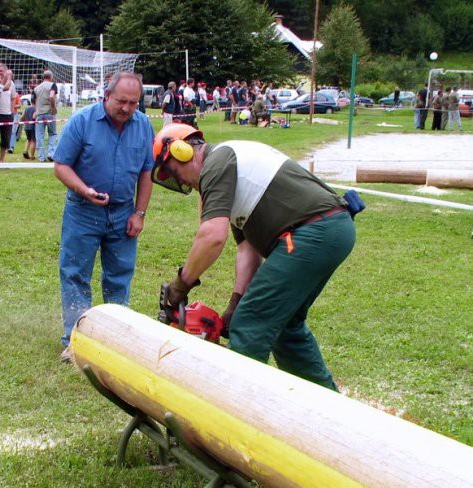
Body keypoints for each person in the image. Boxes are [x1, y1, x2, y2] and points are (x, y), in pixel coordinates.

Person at [151, 124, 355, 390]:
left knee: (250, 325)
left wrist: (182, 284)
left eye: (175, 173)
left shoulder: (218, 162)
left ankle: (235, 414)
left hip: (312, 231)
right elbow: (247, 248)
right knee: (284, 326)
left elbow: (212, 236)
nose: (182, 183)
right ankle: (325, 407)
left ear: (182, 151)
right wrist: (236, 301)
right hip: (329, 229)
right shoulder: (227, 168)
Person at [53, 71, 154, 363]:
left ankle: (116, 341)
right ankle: (75, 340)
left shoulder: (144, 125)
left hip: (124, 213)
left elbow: (147, 172)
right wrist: (84, 190)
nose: (127, 108)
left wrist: (140, 212)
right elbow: (61, 166)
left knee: (120, 276)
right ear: (106, 95)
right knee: (74, 274)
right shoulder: (82, 122)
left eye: (133, 103)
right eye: (122, 101)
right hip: (83, 212)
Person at [34, 70, 58, 162]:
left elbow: (34, 101)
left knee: (39, 136)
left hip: (39, 113)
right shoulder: (52, 85)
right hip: (49, 113)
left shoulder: (37, 88)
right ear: (51, 77)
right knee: (52, 133)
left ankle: (41, 157)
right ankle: (50, 153)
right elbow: (52, 96)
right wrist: (53, 107)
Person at [0, 65, 16, 162]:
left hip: (7, 115)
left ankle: (1, 160)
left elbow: (13, 98)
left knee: (5, 140)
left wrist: (12, 112)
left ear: (6, 72)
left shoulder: (11, 84)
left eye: (1, 71)